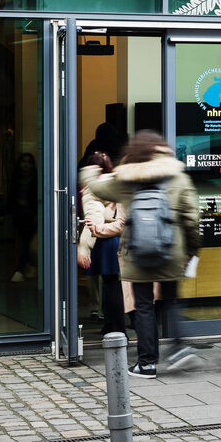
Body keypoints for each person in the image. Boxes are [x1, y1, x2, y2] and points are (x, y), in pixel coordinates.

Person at [85, 130, 204, 377]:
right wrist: (191, 250)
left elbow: (97, 188)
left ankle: (147, 363)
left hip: (137, 253)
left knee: (143, 307)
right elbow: (192, 218)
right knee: (169, 301)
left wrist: (92, 166)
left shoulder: (126, 180)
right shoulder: (177, 177)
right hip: (171, 252)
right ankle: (179, 349)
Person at [75, 133, 127, 342]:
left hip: (104, 240)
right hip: (116, 238)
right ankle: (113, 326)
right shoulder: (115, 181)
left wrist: (84, 247)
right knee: (114, 285)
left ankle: (116, 328)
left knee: (110, 286)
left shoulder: (92, 188)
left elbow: (93, 219)